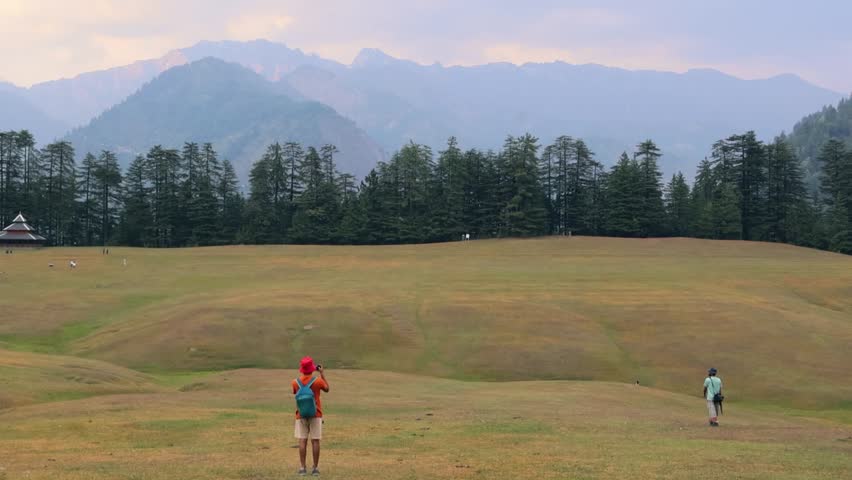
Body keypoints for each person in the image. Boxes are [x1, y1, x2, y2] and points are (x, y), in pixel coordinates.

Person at [292, 356, 329, 476]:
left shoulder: (295, 382)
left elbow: (295, 393)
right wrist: (322, 373)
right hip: (316, 414)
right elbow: (327, 389)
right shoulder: (317, 381)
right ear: (312, 368)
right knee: (315, 441)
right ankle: (315, 468)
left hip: (301, 415)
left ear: (302, 369)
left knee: (302, 440)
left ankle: (302, 468)